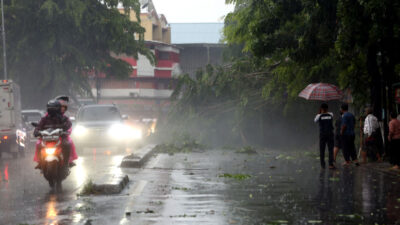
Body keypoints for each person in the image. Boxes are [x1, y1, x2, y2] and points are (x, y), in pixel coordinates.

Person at [34, 100, 72, 169]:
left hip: (59, 138)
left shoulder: (63, 118)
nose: (52, 111)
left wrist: (65, 130)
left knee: (67, 144)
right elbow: (38, 126)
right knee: (39, 145)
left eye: (54, 109)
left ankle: (66, 163)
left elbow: (68, 124)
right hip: (46, 139)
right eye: (50, 109)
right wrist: (36, 132)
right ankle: (40, 162)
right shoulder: (44, 119)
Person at [55, 95, 78, 166]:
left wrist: (67, 131)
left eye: (62, 106)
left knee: (69, 143)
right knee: (39, 143)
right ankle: (41, 161)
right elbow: (42, 124)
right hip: (49, 136)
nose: (61, 108)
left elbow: (69, 126)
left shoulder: (66, 116)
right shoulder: (48, 115)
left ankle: (69, 160)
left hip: (62, 136)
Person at [314, 103, 335, 169]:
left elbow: (315, 121)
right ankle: (330, 164)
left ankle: (323, 165)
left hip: (322, 135)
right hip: (330, 134)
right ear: (327, 108)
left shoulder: (318, 116)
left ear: (321, 109)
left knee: (322, 150)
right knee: (330, 150)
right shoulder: (331, 114)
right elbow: (331, 117)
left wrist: (320, 113)